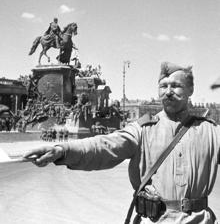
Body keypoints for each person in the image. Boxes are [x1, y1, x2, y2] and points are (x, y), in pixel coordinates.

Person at [23, 62, 220, 224]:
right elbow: (104, 146)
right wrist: (62, 150)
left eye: (176, 86)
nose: (168, 92)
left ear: (191, 90)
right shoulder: (143, 130)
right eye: (163, 86)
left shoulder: (211, 133)